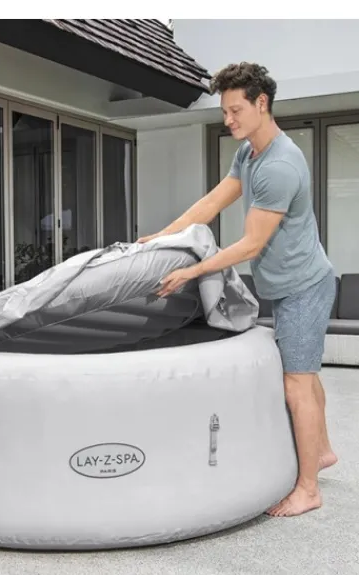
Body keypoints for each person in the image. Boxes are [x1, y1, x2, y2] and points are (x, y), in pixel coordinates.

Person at [138, 62, 337, 517]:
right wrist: (164, 236)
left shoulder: (279, 165)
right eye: (224, 112)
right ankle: (322, 450)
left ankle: (308, 489)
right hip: (288, 283)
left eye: (235, 111)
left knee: (296, 383)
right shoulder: (249, 153)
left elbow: (250, 244)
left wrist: (192, 271)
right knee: (306, 373)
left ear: (261, 104)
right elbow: (212, 202)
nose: (228, 120)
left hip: (304, 286)